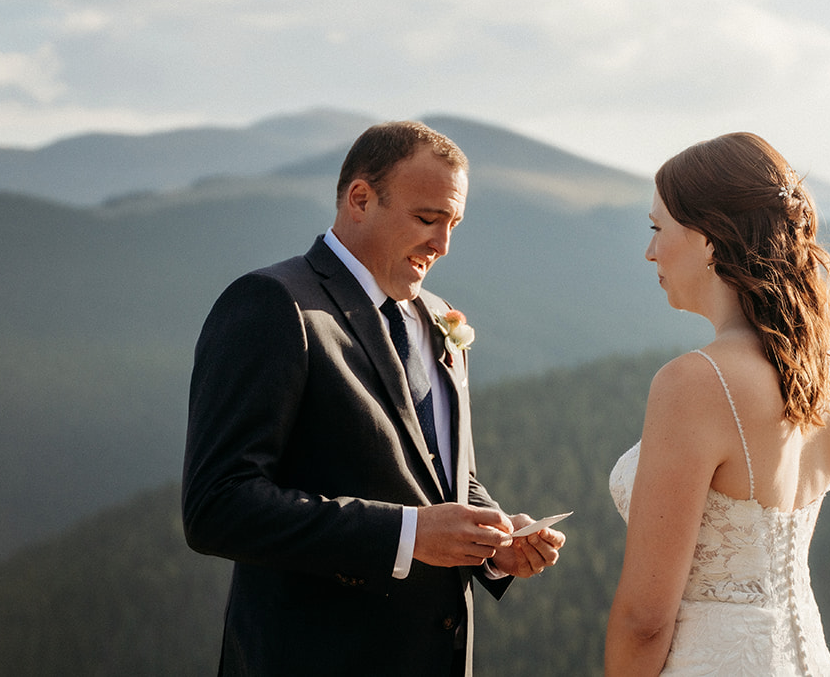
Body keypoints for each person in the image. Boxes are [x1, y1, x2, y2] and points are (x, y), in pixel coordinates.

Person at [183, 120, 564, 676]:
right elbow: (217, 506)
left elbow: (444, 474)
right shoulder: (273, 303)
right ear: (360, 198)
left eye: (453, 223)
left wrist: (493, 539)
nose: (443, 244)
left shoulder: (437, 316)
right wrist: (407, 534)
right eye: (428, 219)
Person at [606, 132, 830, 676]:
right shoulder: (822, 375)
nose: (650, 250)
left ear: (709, 239)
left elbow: (647, 617)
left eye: (658, 228)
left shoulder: (696, 382)